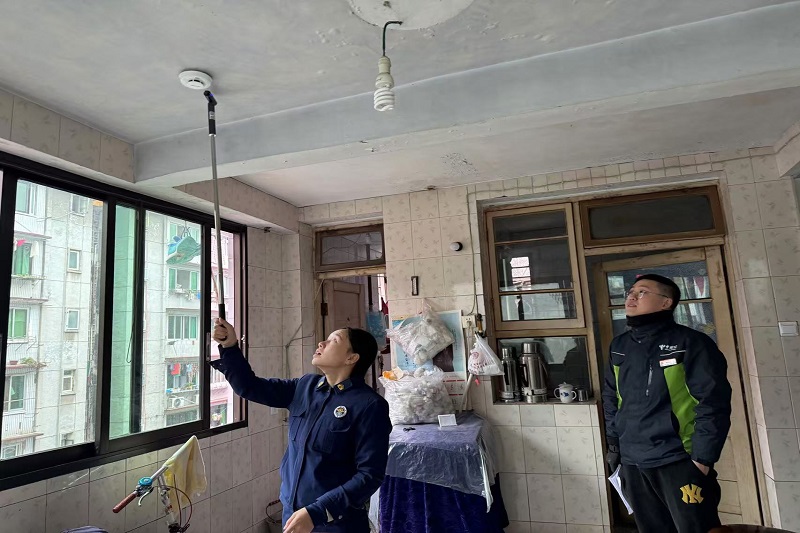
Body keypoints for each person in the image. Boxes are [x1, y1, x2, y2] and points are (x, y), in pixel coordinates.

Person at [211, 319, 391, 533]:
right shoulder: (305, 386)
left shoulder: (369, 405)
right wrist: (230, 347)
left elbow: (370, 475)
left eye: (334, 340)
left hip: (335, 524)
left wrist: (318, 512)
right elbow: (249, 386)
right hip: (292, 515)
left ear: (351, 358)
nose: (322, 343)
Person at [602, 273, 732, 533]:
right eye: (630, 292)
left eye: (642, 292)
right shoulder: (620, 345)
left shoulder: (691, 343)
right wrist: (615, 447)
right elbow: (611, 397)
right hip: (633, 460)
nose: (631, 297)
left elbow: (713, 402)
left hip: (678, 460)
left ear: (666, 302)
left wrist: (702, 459)